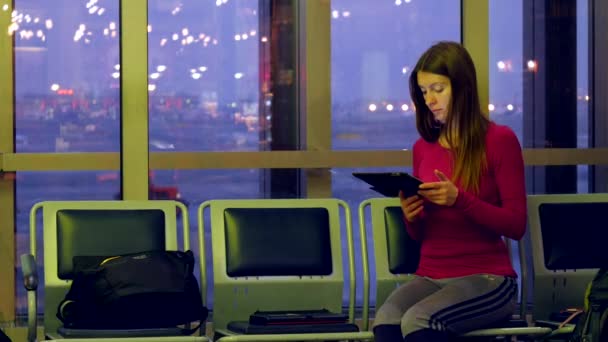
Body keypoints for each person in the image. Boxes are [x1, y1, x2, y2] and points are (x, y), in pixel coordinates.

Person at [372, 41, 526, 342]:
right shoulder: (422, 148)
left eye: (438, 88)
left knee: (419, 320)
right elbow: (421, 236)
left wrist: (461, 200)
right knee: (387, 318)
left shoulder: (500, 140)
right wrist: (411, 217)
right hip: (431, 274)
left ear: (462, 86)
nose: (429, 99)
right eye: (423, 90)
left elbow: (516, 225)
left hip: (488, 278)